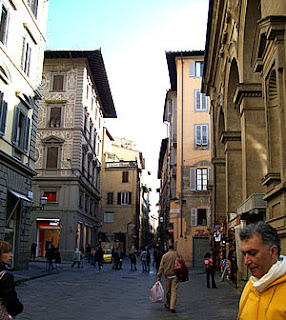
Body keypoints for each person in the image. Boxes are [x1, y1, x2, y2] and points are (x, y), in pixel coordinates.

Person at [237, 221, 286, 319]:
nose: (246, 262)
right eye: (244, 254)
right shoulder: (250, 285)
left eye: (252, 253)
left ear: (273, 251)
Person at [0, 240, 23, 318]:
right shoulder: (4, 276)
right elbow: (11, 301)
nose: (11, 255)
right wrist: (19, 307)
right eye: (7, 252)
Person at [157, 244, 180, 313]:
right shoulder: (177, 255)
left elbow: (161, 267)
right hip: (175, 275)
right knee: (174, 291)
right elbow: (182, 263)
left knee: (168, 291)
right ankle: (172, 306)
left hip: (168, 275)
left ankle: (168, 303)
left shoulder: (165, 256)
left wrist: (159, 275)